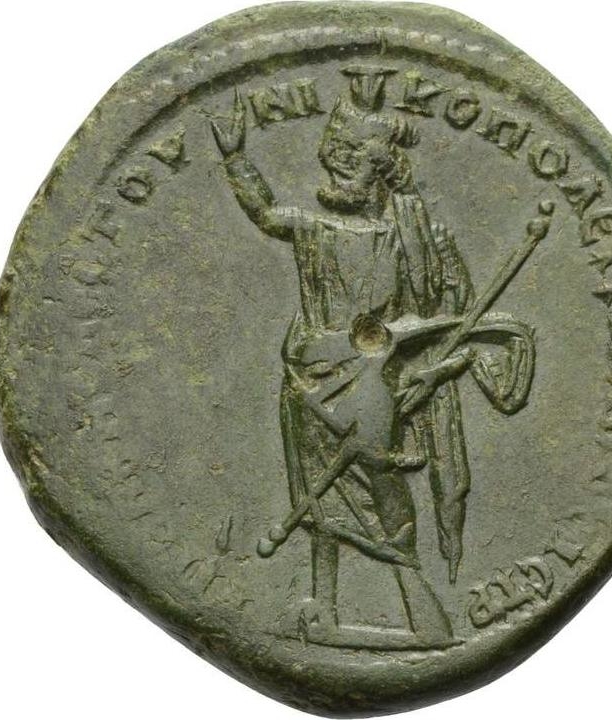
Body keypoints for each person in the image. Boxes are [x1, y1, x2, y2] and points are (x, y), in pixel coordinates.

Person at [211, 67, 536, 648]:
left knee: (379, 503)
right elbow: (265, 213)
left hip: (366, 392)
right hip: (308, 386)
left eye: (352, 159)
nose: (336, 165)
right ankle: (323, 609)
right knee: (318, 501)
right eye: (333, 156)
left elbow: (434, 317)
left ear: (383, 173)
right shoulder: (314, 227)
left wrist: (427, 363)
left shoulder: (408, 243)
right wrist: (237, 157)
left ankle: (428, 621)